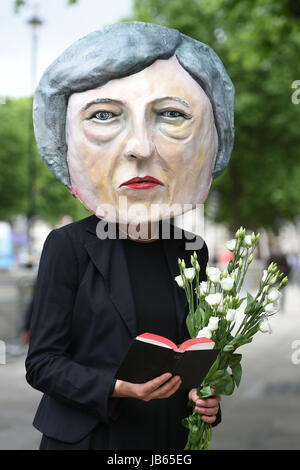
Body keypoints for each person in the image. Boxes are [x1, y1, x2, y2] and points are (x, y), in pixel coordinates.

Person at [25, 22, 234, 450]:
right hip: (90, 438)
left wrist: (207, 398)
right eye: (103, 115)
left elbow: (196, 352)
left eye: (172, 114)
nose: (140, 147)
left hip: (166, 440)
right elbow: (42, 364)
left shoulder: (192, 249)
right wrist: (118, 387)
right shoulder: (67, 248)